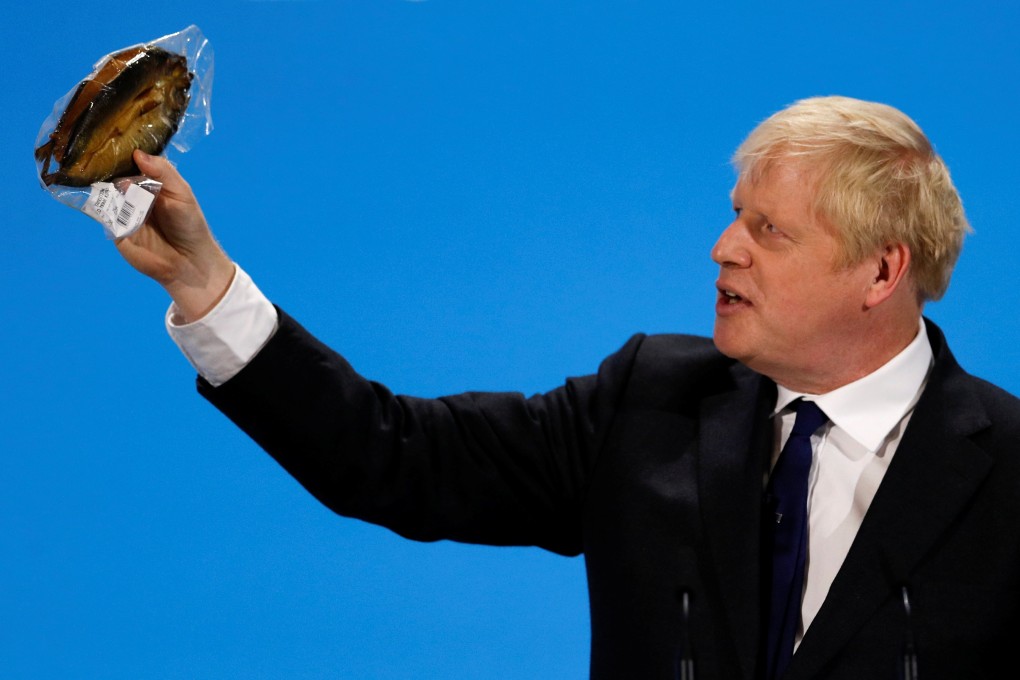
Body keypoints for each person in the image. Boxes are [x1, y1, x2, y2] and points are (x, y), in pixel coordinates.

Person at [116, 96, 1020, 680]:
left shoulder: (1007, 469)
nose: (724, 247)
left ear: (880, 272)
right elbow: (392, 456)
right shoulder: (651, 403)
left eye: (770, 230)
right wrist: (206, 289)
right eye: (736, 215)